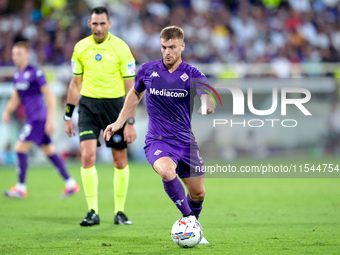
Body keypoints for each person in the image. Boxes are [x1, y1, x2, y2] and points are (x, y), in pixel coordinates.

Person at [103, 26, 215, 243]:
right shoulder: (147, 70)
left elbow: (206, 94)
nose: (167, 52)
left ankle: (194, 227)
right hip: (158, 140)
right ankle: (190, 221)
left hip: (185, 143)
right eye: (164, 47)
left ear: (182, 46)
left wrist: (206, 104)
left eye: (172, 47)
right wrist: (119, 122)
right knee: (165, 170)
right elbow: (134, 94)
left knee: (198, 194)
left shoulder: (193, 74)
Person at [64, 6, 136, 227]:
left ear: (109, 24)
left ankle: (120, 212)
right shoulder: (80, 48)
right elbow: (75, 84)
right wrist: (68, 115)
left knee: (119, 161)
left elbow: (131, 88)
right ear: (89, 24)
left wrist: (129, 121)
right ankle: (92, 211)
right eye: (94, 23)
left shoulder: (121, 48)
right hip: (88, 107)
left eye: (102, 23)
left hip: (115, 109)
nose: (98, 28)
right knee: (87, 157)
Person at [2, 41, 80, 198]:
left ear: (27, 55)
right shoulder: (17, 75)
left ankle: (20, 187)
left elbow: (49, 95)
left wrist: (50, 120)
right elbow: (16, 97)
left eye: (19, 54)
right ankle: (71, 184)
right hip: (33, 118)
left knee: (19, 148)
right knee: (49, 151)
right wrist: (7, 111)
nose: (15, 57)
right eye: (13, 54)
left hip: (38, 118)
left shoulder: (35, 73)